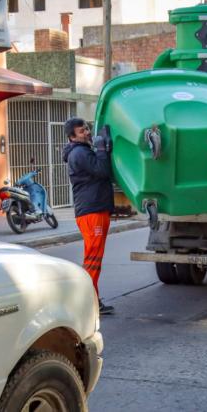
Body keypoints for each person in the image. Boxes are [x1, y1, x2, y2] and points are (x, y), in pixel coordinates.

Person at [62, 118, 115, 314]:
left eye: (86, 128)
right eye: (81, 131)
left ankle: (92, 300)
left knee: (93, 258)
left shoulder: (81, 151)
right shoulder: (79, 153)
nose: (86, 132)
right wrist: (101, 150)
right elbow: (102, 170)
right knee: (93, 259)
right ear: (72, 136)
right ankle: (86, 302)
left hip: (93, 209)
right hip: (92, 211)